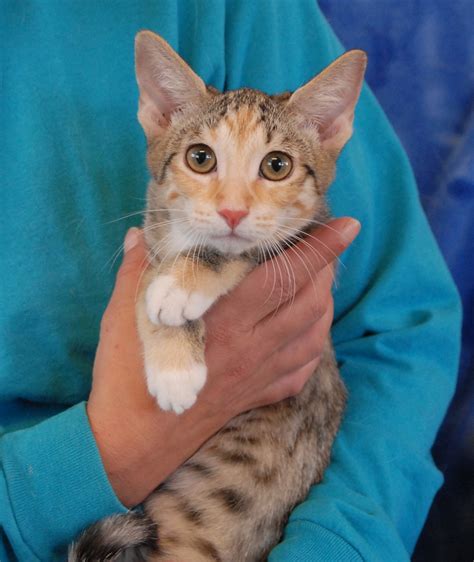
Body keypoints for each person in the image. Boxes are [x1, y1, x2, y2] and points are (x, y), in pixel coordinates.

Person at [0, 1, 461, 560]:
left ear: (330, 129)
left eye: (274, 167)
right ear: (160, 114)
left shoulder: (246, 12)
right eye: (202, 158)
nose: (234, 207)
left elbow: (401, 330)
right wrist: (117, 448)